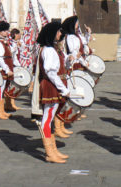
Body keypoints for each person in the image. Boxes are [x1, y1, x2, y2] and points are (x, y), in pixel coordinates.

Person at [31, 19, 70, 163]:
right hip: (50, 86)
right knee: (46, 120)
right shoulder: (48, 50)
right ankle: (50, 153)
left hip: (52, 85)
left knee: (50, 118)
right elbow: (50, 72)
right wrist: (63, 89)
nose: (61, 33)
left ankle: (53, 150)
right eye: (59, 31)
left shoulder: (51, 49)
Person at [0, 22, 14, 118]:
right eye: (4, 30)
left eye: (7, 30)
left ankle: (2, 110)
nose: (7, 32)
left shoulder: (3, 42)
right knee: (0, 89)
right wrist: (6, 69)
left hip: (5, 68)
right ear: (0, 31)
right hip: (2, 70)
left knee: (3, 89)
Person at [7, 28, 23, 111]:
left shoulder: (15, 43)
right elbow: (10, 52)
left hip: (14, 64)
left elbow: (16, 57)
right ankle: (8, 103)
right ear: (15, 34)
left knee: (14, 84)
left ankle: (11, 103)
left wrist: (19, 66)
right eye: (19, 34)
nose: (20, 36)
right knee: (11, 84)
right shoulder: (10, 43)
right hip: (10, 65)